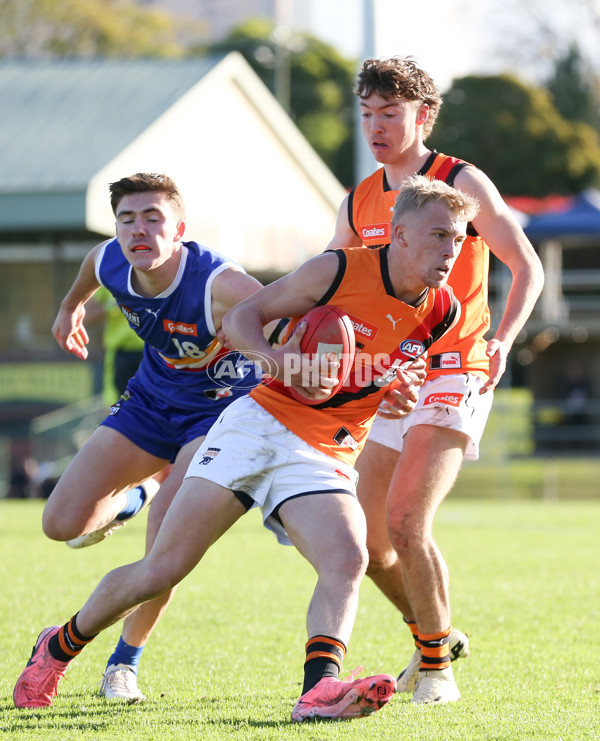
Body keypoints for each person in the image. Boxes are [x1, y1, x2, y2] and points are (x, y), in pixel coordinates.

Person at [14, 175, 476, 721]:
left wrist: (394, 389)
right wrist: (277, 361)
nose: (450, 251)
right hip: (255, 426)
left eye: (459, 239)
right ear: (399, 234)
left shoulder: (442, 308)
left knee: (348, 557)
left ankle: (319, 690)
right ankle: (58, 646)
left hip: (323, 451)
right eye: (439, 235)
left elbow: (386, 366)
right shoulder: (339, 269)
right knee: (163, 569)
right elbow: (241, 318)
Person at [327, 57, 545, 704]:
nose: (376, 126)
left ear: (423, 116)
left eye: (389, 114)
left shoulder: (460, 179)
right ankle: (434, 631)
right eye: (367, 114)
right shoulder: (360, 199)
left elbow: (526, 264)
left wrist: (503, 337)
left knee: (403, 520)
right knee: (367, 536)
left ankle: (435, 670)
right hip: (392, 375)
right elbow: (330, 288)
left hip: (457, 364)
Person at [37, 172, 265, 703]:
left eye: (152, 218)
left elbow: (293, 320)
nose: (138, 230)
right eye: (127, 219)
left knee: (165, 548)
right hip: (150, 399)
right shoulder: (110, 259)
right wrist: (69, 308)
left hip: (218, 410)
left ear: (178, 228)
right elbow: (90, 268)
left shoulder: (220, 282)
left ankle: (123, 664)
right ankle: (137, 495)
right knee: (60, 524)